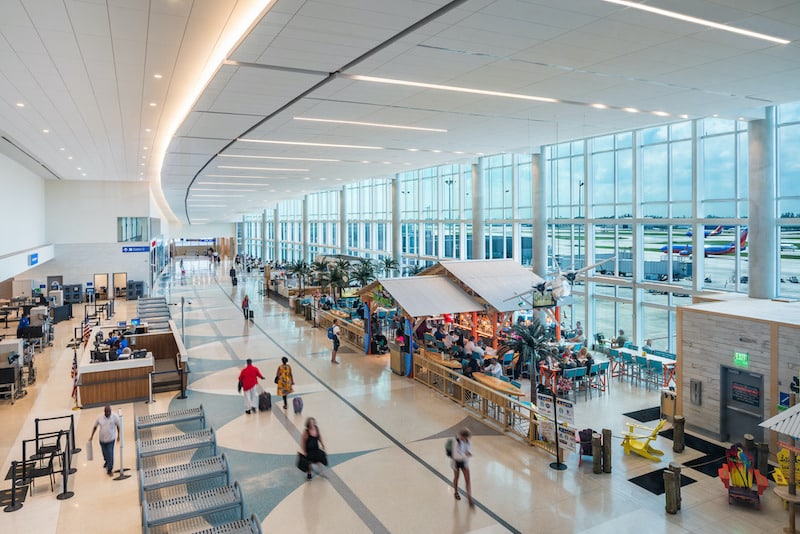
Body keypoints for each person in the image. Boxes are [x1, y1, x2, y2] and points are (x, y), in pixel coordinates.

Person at [89, 405, 121, 476]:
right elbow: (95, 427)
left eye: (109, 412)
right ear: (104, 412)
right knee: (105, 454)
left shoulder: (115, 417)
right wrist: (91, 436)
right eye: (106, 412)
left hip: (111, 440)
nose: (108, 413)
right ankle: (106, 461)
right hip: (102, 440)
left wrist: (119, 436)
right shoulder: (99, 418)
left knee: (110, 454)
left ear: (111, 411)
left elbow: (118, 426)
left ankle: (109, 469)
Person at [450, 428, 474, 506]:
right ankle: (456, 492)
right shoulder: (456, 441)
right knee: (456, 477)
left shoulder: (468, 441)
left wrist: (467, 453)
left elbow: (469, 450)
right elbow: (455, 455)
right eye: (463, 437)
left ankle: (469, 497)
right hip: (456, 463)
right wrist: (465, 455)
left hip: (464, 462)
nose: (464, 439)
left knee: (468, 480)